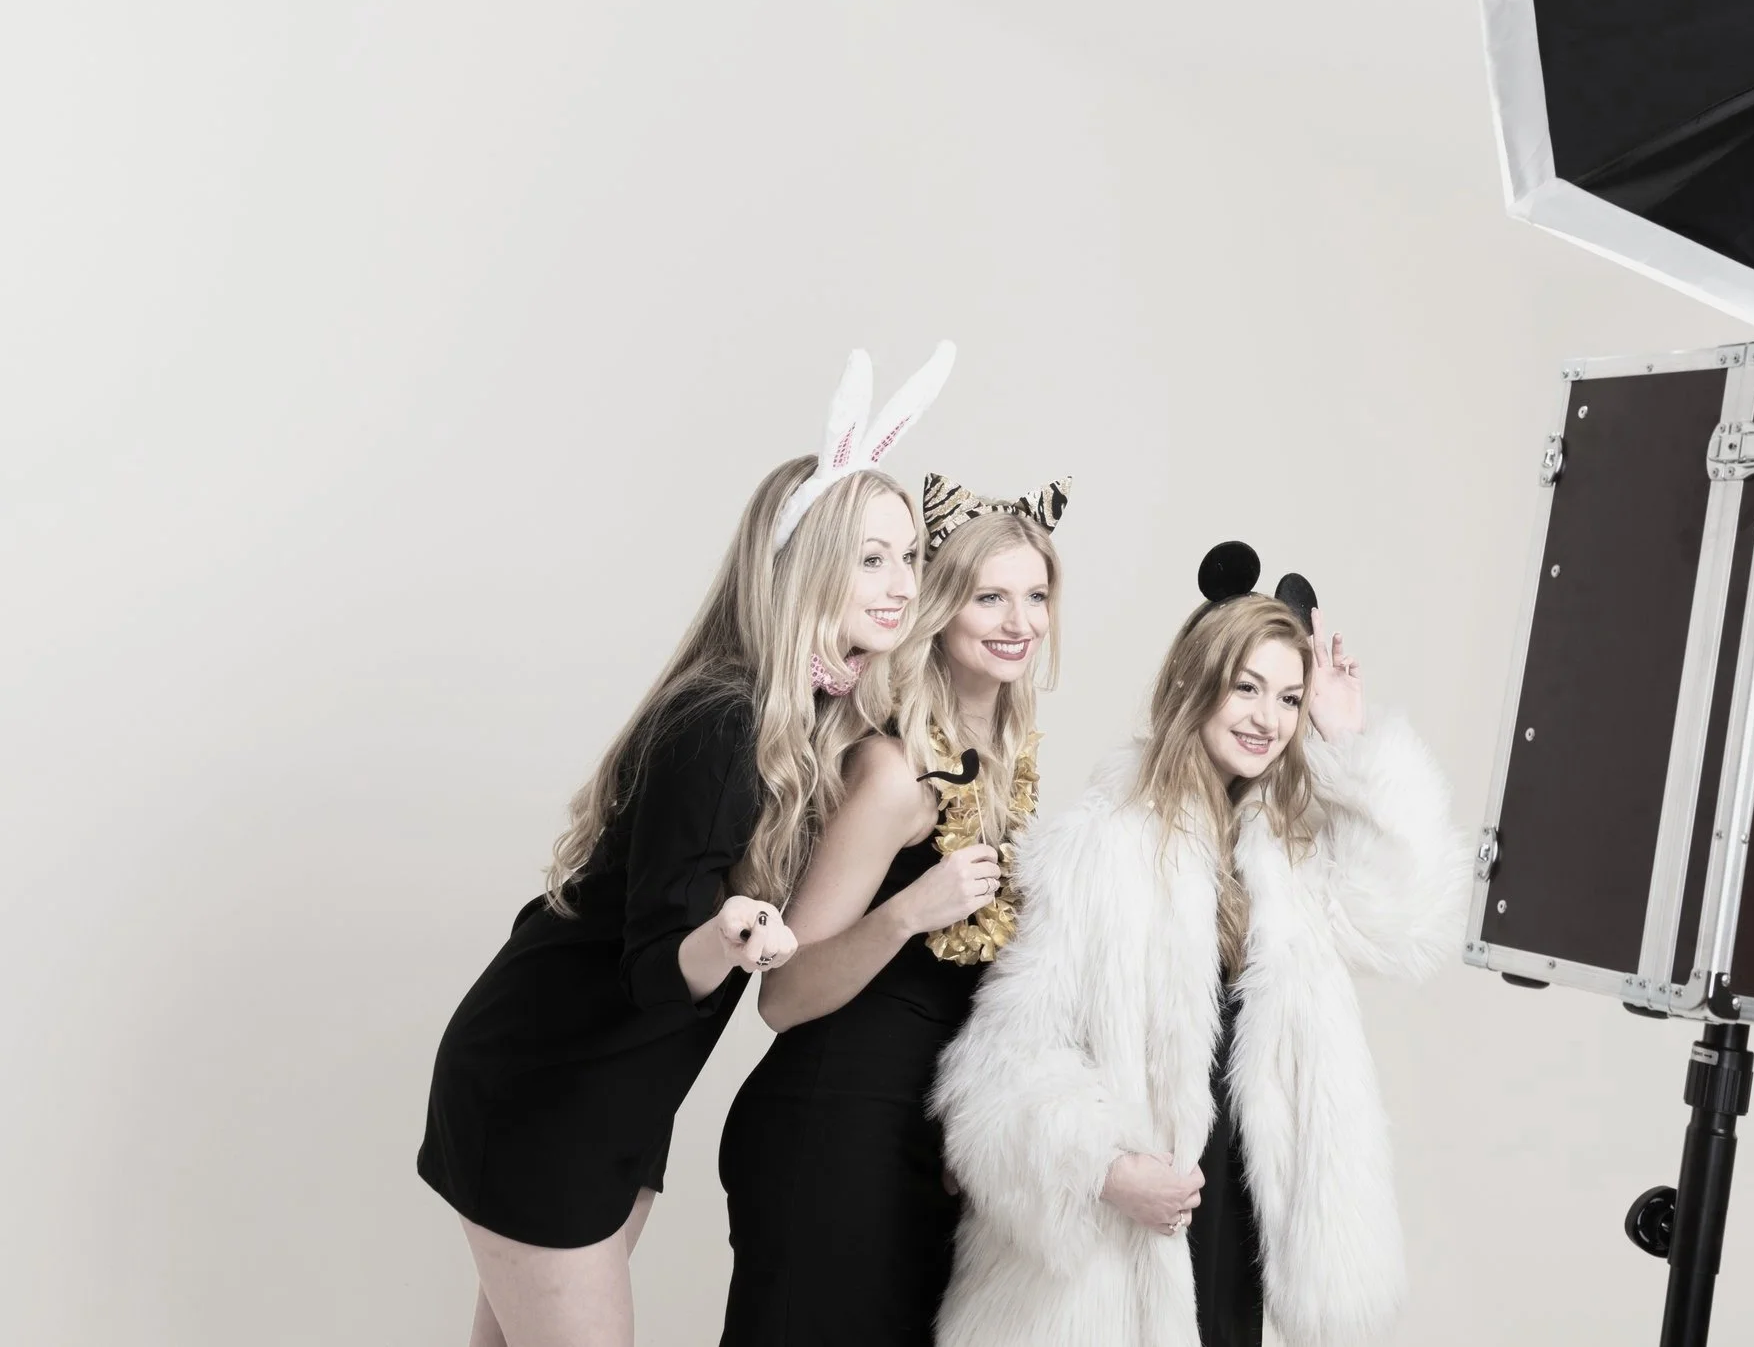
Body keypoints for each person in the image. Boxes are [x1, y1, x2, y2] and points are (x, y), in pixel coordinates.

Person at [417, 343, 953, 1347]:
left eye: (909, 556)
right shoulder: (723, 723)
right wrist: (736, 932)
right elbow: (659, 964)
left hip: (615, 1099)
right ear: (805, 567)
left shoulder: (808, 726)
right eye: (871, 557)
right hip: (550, 1089)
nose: (900, 583)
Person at [932, 542, 1470, 1347]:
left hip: (1243, 1217)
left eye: (1289, 699)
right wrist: (1107, 1172)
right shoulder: (1103, 842)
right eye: (1247, 688)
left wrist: (1353, 744)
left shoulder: (1288, 854)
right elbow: (1002, 1065)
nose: (1268, 718)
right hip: (1133, 1238)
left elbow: (1408, 920)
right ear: (1195, 684)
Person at [718, 475, 1071, 1347]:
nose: (1017, 621)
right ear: (941, 607)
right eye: (989, 596)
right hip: (830, 1135)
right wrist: (909, 911)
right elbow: (781, 994)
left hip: (916, 1145)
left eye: (1036, 596)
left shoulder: (1002, 766)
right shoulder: (893, 773)